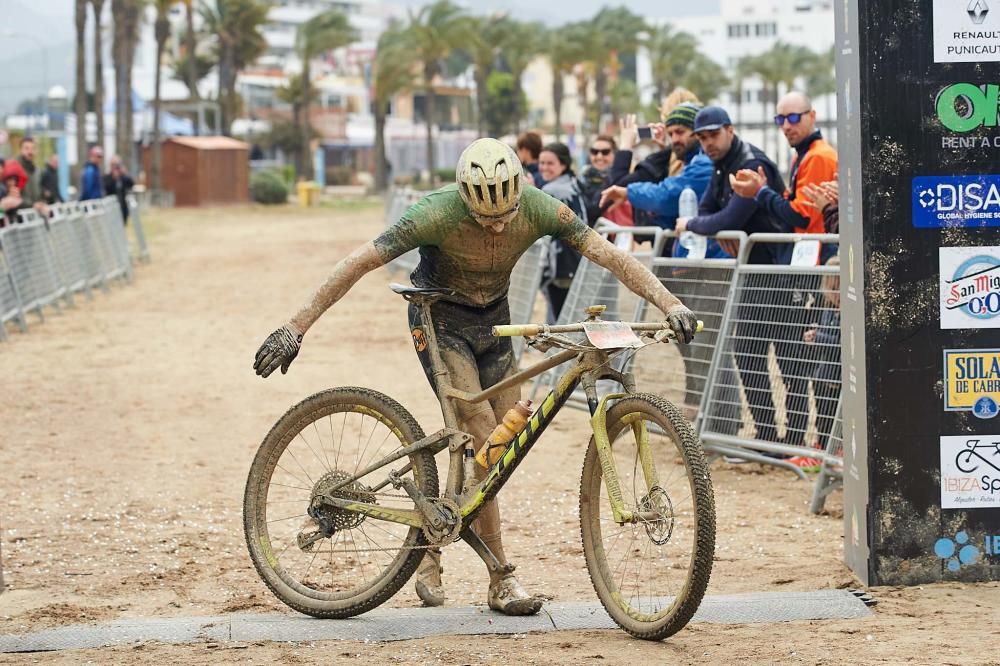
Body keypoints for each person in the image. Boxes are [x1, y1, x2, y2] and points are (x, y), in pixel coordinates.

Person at [252, 138, 698, 617]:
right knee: (484, 435)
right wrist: (295, 326)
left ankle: (432, 538)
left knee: (498, 448)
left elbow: (608, 254)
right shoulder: (435, 213)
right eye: (485, 218)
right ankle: (502, 576)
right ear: (465, 198)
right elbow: (361, 261)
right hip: (438, 318)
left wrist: (668, 302)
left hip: (494, 322)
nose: (497, 226)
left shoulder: (539, 206)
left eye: (505, 216)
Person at [673, 106, 801, 446]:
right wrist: (715, 227)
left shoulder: (749, 163)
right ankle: (767, 436)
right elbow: (709, 212)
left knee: (789, 361)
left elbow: (720, 218)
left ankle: (796, 441)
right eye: (701, 137)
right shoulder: (720, 167)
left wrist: (695, 226)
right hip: (751, 273)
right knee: (747, 354)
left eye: (713, 135)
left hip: (777, 273)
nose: (707, 143)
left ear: (730, 130)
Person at [730, 91, 839, 262]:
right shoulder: (804, 154)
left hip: (817, 257)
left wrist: (761, 192)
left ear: (812, 116)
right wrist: (762, 190)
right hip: (808, 254)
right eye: (780, 119)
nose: (786, 126)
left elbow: (801, 216)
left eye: (794, 118)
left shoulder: (818, 156)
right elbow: (793, 207)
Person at [794, 254, 842, 472]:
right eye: (832, 289)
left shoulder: (848, 314)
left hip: (838, 376)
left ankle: (836, 453)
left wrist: (819, 337)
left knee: (836, 417)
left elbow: (843, 343)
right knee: (822, 414)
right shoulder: (827, 311)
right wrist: (814, 337)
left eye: (840, 288)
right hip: (824, 374)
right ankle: (822, 449)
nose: (836, 294)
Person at [538, 142, 589, 323]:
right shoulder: (574, 184)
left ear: (564, 164)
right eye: (542, 162)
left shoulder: (551, 190)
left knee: (562, 322)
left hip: (560, 264)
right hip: (577, 261)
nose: (544, 167)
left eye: (550, 163)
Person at [577, 135, 632, 226]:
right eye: (594, 152)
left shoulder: (623, 179)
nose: (599, 156)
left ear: (615, 154)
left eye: (605, 152)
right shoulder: (580, 179)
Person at [103, 156, 135, 224]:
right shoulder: (107, 177)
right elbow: (106, 188)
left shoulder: (123, 177)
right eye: (113, 165)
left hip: (122, 207)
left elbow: (131, 184)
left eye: (117, 165)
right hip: (111, 208)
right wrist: (113, 178)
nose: (115, 167)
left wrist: (125, 173)